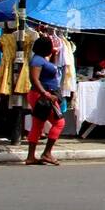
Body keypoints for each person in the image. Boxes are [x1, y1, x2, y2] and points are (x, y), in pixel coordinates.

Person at [26, 37, 65, 165]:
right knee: (59, 122)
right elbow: (34, 79)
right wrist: (45, 94)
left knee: (38, 125)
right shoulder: (37, 60)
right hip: (42, 96)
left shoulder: (42, 59)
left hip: (43, 95)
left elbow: (50, 69)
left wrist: (53, 55)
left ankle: (31, 157)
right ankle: (47, 153)